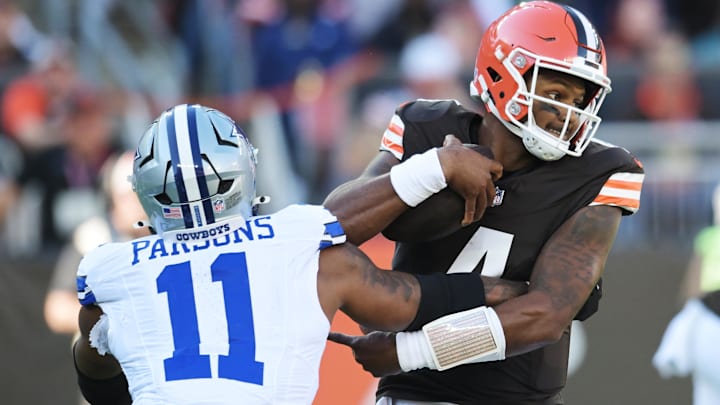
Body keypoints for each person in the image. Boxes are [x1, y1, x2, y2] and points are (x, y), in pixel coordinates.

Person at [72, 104, 528, 405]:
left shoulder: (109, 277)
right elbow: (412, 304)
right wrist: (517, 290)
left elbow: (98, 381)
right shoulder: (302, 248)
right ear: (244, 172)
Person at [323, 2, 645, 404]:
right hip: (414, 395)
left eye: (581, 100)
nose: (569, 114)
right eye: (556, 93)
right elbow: (329, 225)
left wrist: (409, 352)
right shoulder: (428, 128)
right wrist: (435, 168)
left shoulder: (601, 171)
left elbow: (545, 314)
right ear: (501, 75)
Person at [652, 183, 720, 405]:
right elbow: (692, 288)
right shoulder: (709, 238)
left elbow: (691, 290)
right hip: (711, 319)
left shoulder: (709, 237)